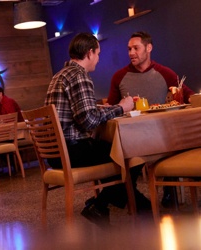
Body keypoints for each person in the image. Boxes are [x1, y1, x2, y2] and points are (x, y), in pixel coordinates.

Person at [44, 32, 149, 227]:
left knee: (117, 150)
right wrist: (122, 108)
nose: (98, 60)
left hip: (56, 152)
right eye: (98, 54)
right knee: (132, 153)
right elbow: (89, 122)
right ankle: (103, 205)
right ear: (90, 52)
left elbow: (79, 112)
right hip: (73, 150)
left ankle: (117, 204)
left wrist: (102, 109)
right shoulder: (79, 76)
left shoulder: (60, 76)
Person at [107, 31, 195, 208]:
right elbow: (111, 108)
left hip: (164, 134)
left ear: (149, 48)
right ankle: (133, 198)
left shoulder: (165, 73)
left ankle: (169, 192)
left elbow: (188, 95)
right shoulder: (119, 77)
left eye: (136, 48)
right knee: (134, 151)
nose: (131, 52)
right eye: (129, 49)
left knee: (172, 139)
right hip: (134, 137)